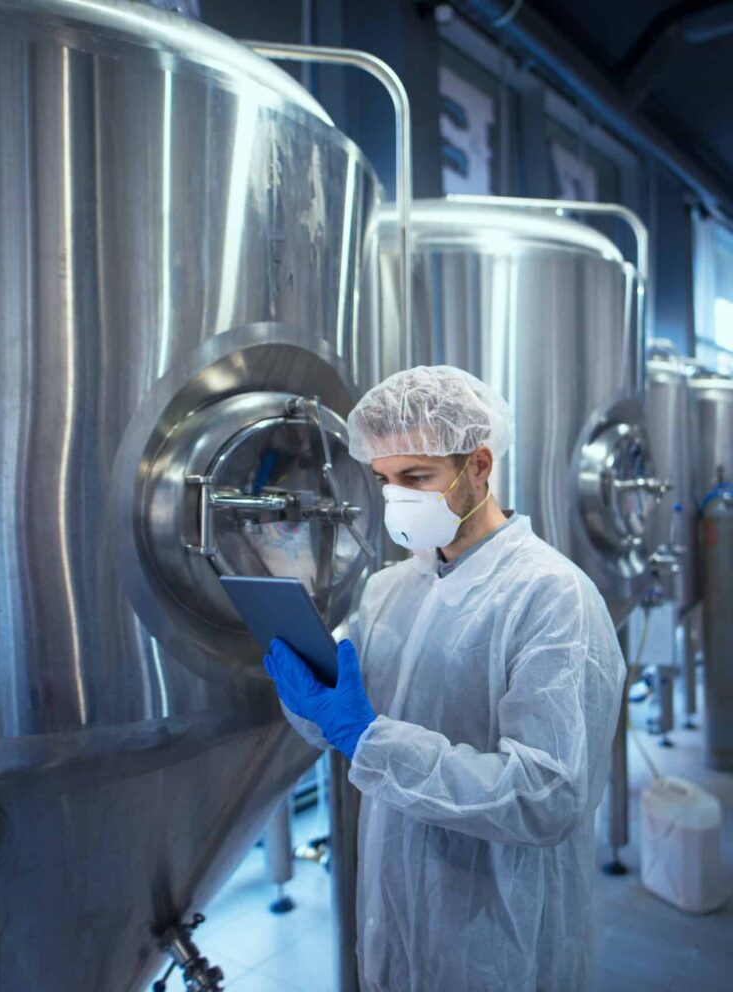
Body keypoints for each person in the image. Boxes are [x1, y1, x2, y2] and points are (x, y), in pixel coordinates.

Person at [263, 365, 625, 992]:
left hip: (499, 926)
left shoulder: (552, 597)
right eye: (385, 481)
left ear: (479, 465)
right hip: (393, 912)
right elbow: (342, 722)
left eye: (416, 478)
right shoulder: (388, 590)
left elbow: (546, 795)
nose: (397, 498)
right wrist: (311, 699)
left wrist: (371, 742)